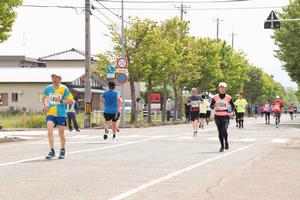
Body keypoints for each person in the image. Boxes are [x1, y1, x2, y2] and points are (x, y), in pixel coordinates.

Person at [42, 74, 74, 159]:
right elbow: (43, 98)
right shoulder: (48, 88)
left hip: (61, 114)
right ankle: (51, 151)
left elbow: (71, 101)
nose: (54, 79)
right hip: (50, 113)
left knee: (61, 133)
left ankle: (62, 150)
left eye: (56, 77)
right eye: (53, 77)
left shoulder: (64, 88)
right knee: (49, 131)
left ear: (60, 79)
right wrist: (45, 106)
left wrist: (62, 101)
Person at [210, 82, 235, 152]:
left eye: (223, 87)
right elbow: (211, 106)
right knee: (220, 132)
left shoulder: (228, 97)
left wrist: (232, 112)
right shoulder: (215, 97)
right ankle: (222, 146)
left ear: (225, 89)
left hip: (225, 116)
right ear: (219, 89)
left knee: (224, 130)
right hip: (217, 116)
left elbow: (233, 106)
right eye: (220, 87)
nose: (222, 89)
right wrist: (213, 106)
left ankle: (226, 140)